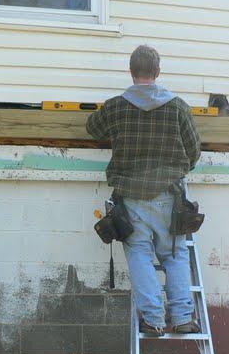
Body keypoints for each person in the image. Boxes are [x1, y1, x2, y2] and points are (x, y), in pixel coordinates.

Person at [86, 45, 201, 337]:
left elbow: (92, 128)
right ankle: (183, 317)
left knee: (139, 254)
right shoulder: (178, 107)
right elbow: (194, 151)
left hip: (131, 195)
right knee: (174, 256)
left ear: (131, 72)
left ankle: (152, 320)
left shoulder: (115, 107)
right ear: (158, 73)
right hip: (169, 195)